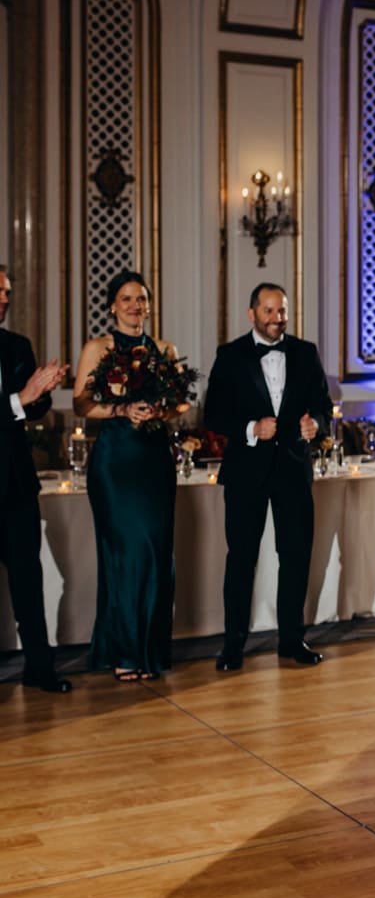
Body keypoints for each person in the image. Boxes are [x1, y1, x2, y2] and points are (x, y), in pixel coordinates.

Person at [203, 282, 332, 671]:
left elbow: (323, 405)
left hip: (294, 469)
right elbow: (212, 414)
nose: (278, 319)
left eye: (283, 311)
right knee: (241, 560)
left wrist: (317, 425)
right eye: (269, 312)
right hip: (246, 473)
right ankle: (233, 646)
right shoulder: (230, 355)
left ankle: (292, 640)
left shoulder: (306, 353)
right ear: (252, 314)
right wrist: (250, 429)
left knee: (295, 557)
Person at [72, 271, 181, 681]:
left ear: (149, 305)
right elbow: (81, 403)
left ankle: (150, 652)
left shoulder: (165, 348)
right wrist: (121, 410)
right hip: (116, 464)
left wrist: (160, 411)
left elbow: (181, 402)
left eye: (141, 298)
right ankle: (124, 650)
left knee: (157, 554)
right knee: (126, 554)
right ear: (112, 305)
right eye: (127, 298)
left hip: (154, 459)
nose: (135, 305)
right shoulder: (98, 348)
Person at [0, 265, 72, 692]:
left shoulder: (17, 345)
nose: (5, 299)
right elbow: (17, 404)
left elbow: (34, 408)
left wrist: (41, 393)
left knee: (30, 582)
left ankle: (40, 669)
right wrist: (20, 398)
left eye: (7, 292)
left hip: (17, 487)